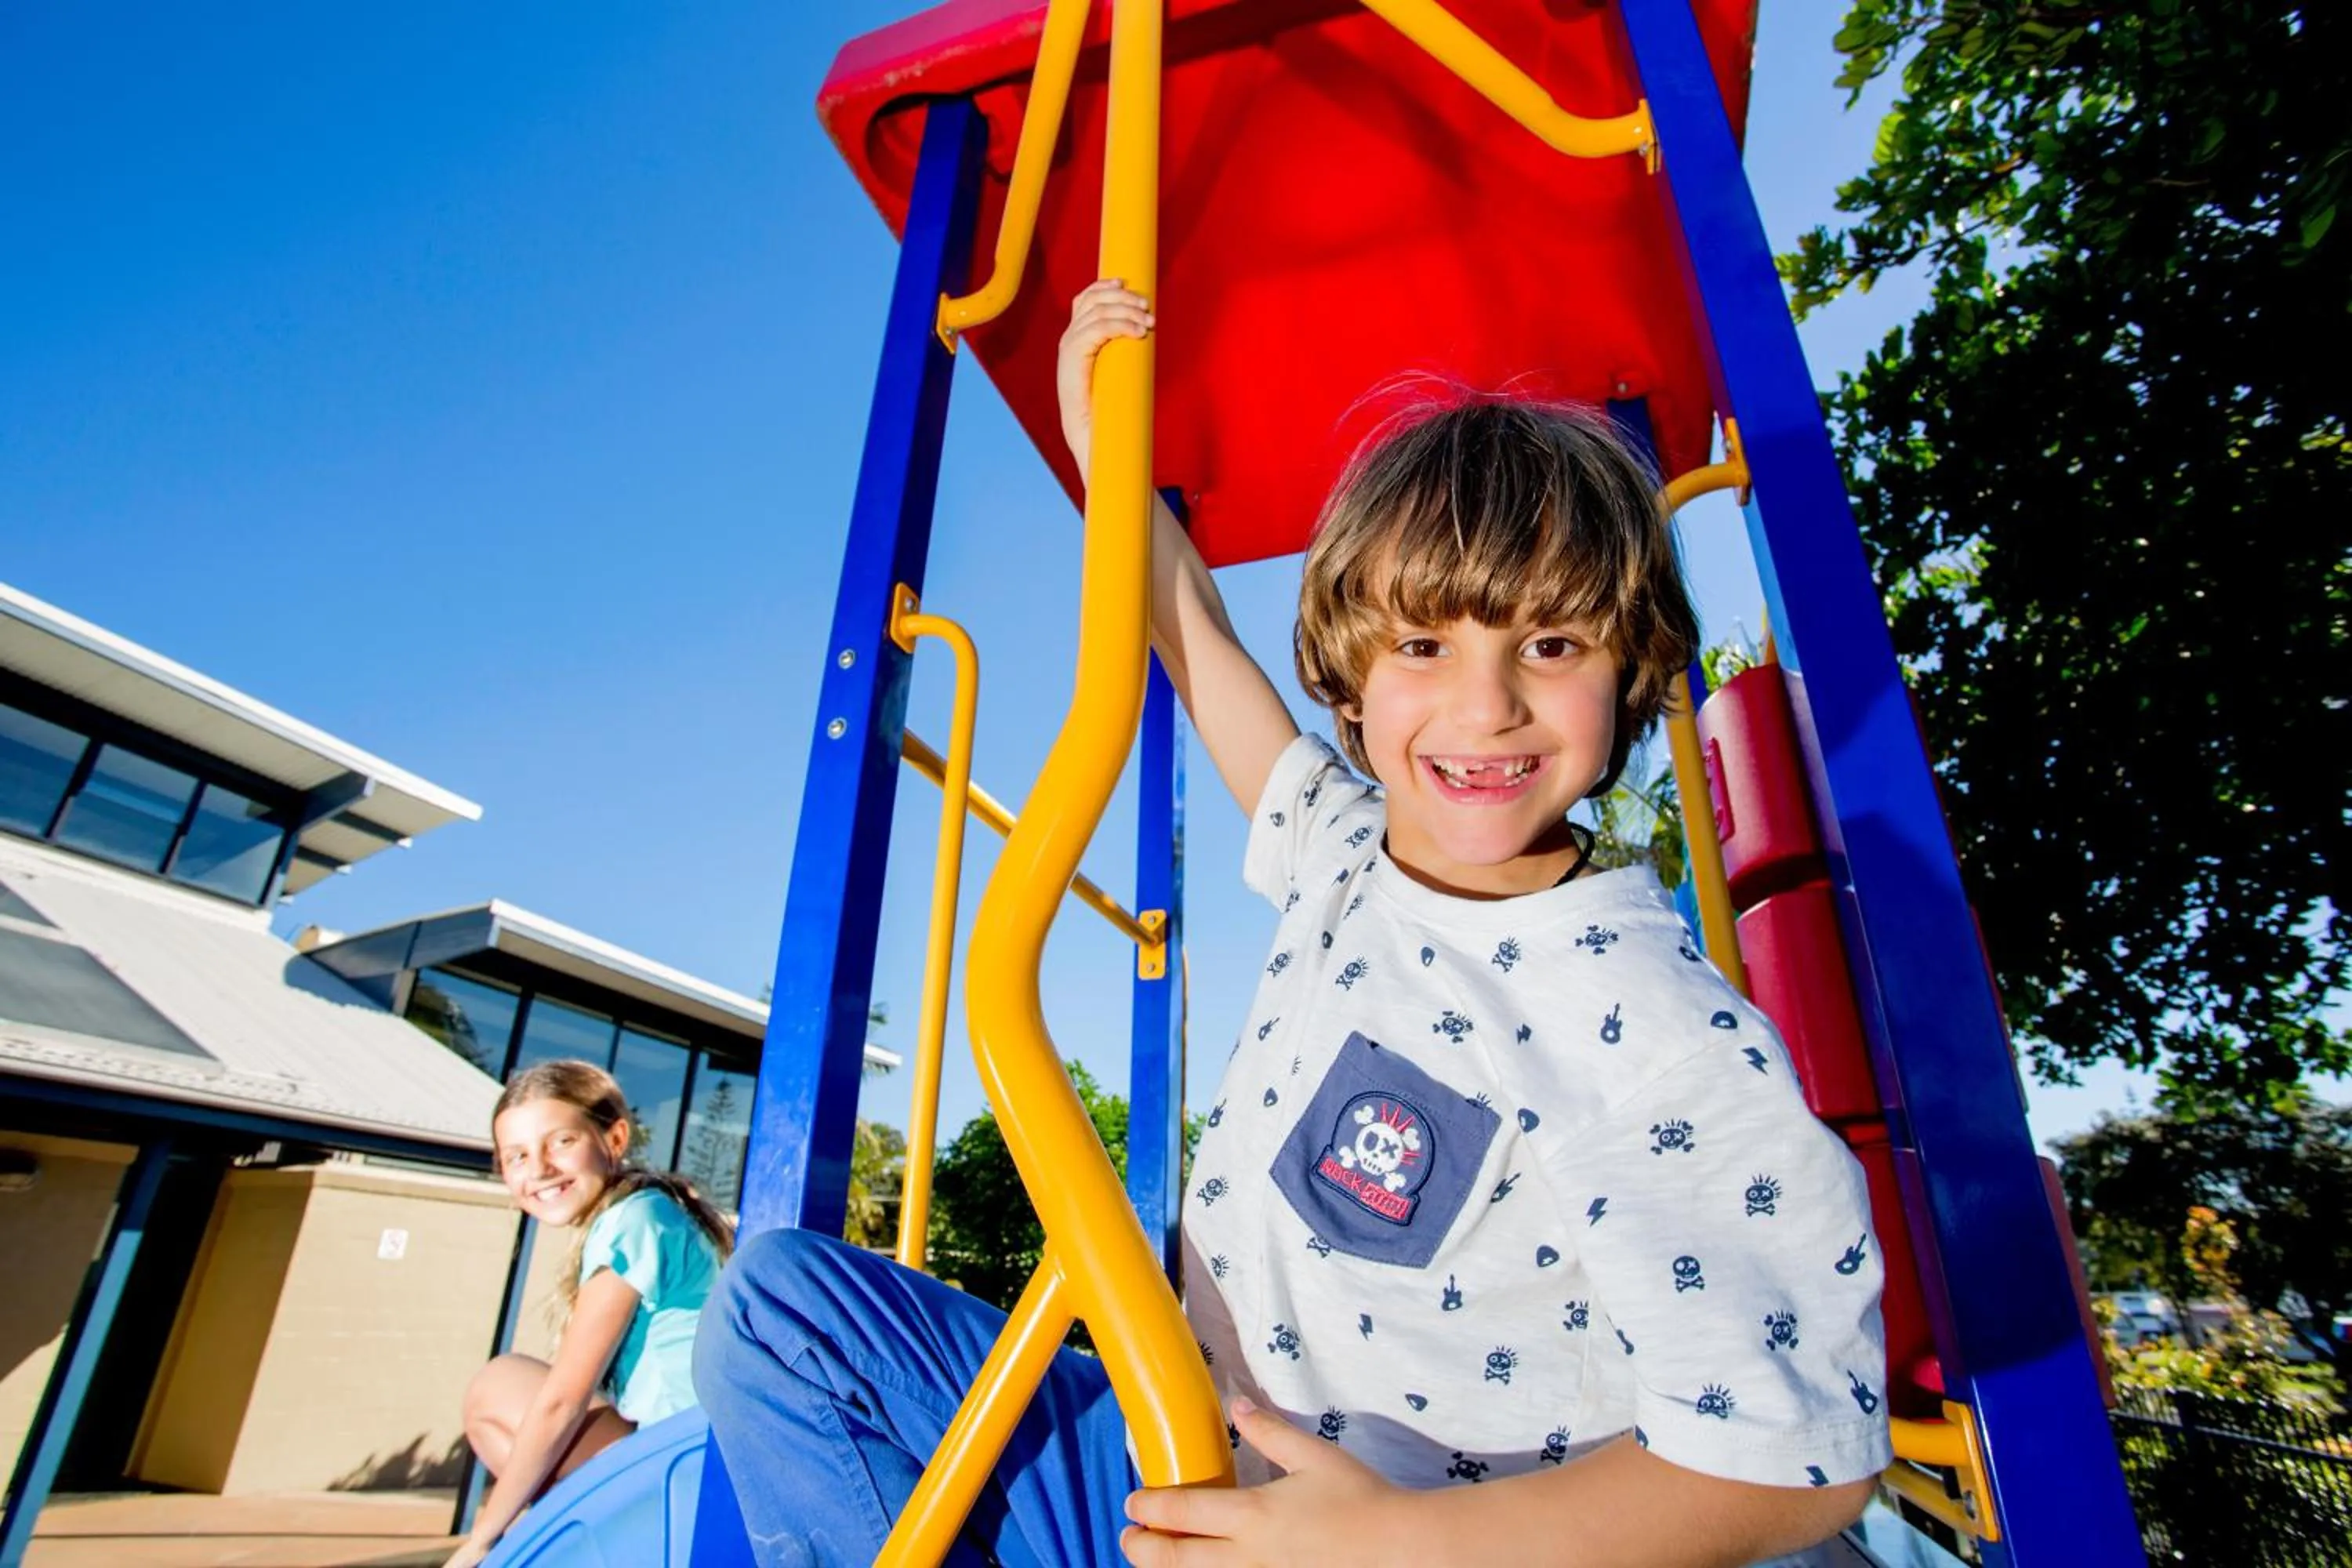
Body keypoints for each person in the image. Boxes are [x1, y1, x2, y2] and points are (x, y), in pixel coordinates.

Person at [693, 281, 1891, 1566]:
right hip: (1187, 1447)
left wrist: (1395, 1546)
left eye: (1550, 645)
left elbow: (1799, 1464)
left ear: (1630, 666)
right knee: (780, 1313)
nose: (1485, 707)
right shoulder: (1339, 848)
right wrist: (1106, 454)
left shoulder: (1659, 1037)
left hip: (1419, 1536)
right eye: (1423, 646)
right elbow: (1197, 637)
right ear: (1352, 677)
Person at [445, 1060, 732, 1568]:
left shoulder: (635, 1219)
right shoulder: (646, 1210)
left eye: (560, 1142)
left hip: (693, 1455)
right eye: (517, 1156)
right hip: (686, 1446)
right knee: (504, 1406)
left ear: (615, 1138)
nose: (539, 1168)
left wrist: (482, 1541)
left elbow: (564, 1399)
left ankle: (606, 1541)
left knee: (497, 1386)